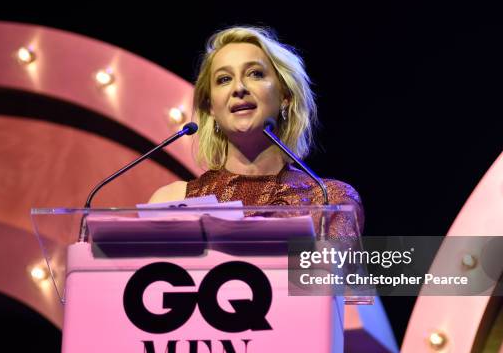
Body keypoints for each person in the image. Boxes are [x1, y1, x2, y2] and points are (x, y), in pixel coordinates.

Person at [149, 26, 364, 235]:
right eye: (224, 79)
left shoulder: (328, 200)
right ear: (211, 107)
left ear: (285, 97)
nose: (239, 88)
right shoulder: (172, 201)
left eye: (255, 74)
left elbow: (332, 271)